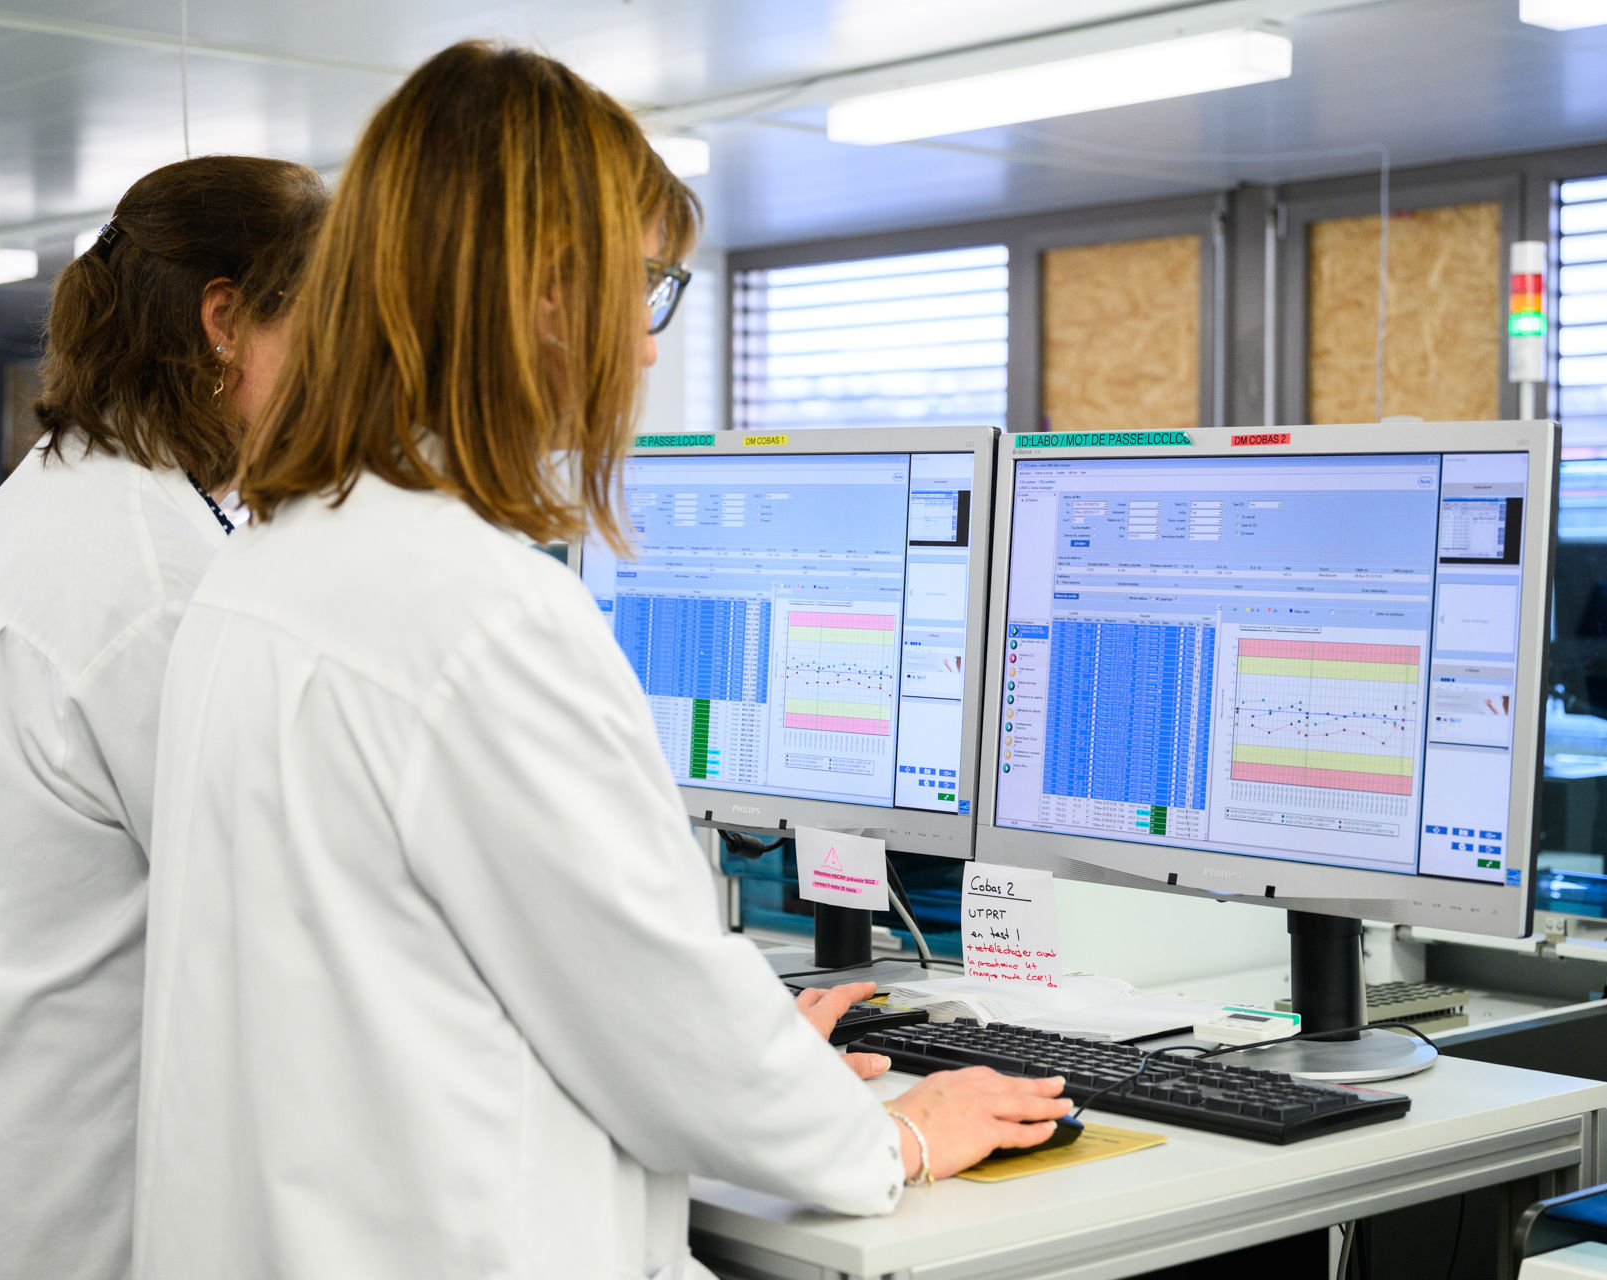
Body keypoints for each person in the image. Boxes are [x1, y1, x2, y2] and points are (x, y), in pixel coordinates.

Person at [133, 42, 1068, 1280]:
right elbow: (660, 1027)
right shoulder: (481, 613)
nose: (645, 346)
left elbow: (558, 976)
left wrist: (738, 1046)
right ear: (543, 292)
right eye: (644, 288)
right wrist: (897, 1130)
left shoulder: (268, 562)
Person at [0, 156, 327, 1280]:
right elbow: (299, 923)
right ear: (224, 322)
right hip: (84, 1212)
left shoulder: (63, 495)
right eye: (326, 329)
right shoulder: (152, 584)